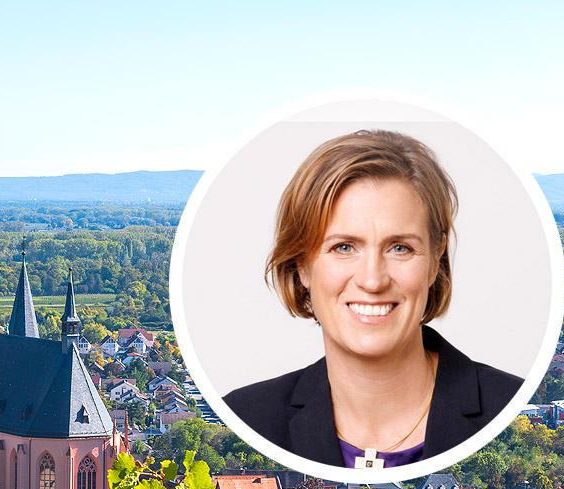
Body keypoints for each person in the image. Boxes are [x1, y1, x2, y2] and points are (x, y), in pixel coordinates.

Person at [223, 130, 521, 469]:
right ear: (301, 264)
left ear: (436, 257)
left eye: (400, 248)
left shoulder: (509, 406)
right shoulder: (246, 417)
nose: (372, 280)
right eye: (343, 247)